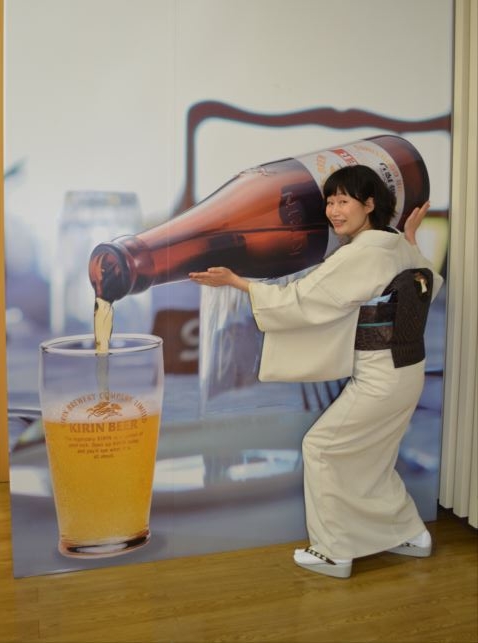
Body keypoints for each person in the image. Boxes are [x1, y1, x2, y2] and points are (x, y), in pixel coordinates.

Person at [189, 164, 443, 579]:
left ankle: (333, 551)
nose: (334, 211)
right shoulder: (394, 243)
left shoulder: (363, 253)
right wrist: (412, 238)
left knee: (322, 448)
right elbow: (432, 281)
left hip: (381, 376)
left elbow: (302, 299)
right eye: (330, 201)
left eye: (344, 201)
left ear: (369, 204)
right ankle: (410, 533)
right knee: (374, 459)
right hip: (408, 369)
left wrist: (238, 282)